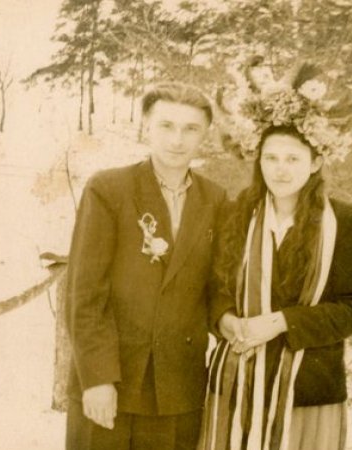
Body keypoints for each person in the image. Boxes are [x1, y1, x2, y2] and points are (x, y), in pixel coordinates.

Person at [200, 66, 352, 450]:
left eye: (293, 159)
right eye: (271, 158)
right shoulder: (235, 213)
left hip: (307, 392)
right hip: (236, 385)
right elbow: (214, 286)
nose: (280, 170)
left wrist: (281, 323)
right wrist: (224, 318)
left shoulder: (345, 221)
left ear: (315, 162)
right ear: (258, 161)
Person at [65, 82, 227, 450]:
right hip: (111, 383)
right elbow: (85, 292)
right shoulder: (109, 189)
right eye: (166, 126)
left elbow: (217, 287)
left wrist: (230, 321)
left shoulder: (215, 199)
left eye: (191, 129)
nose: (177, 140)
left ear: (204, 135)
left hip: (177, 390)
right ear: (146, 127)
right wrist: (97, 377)